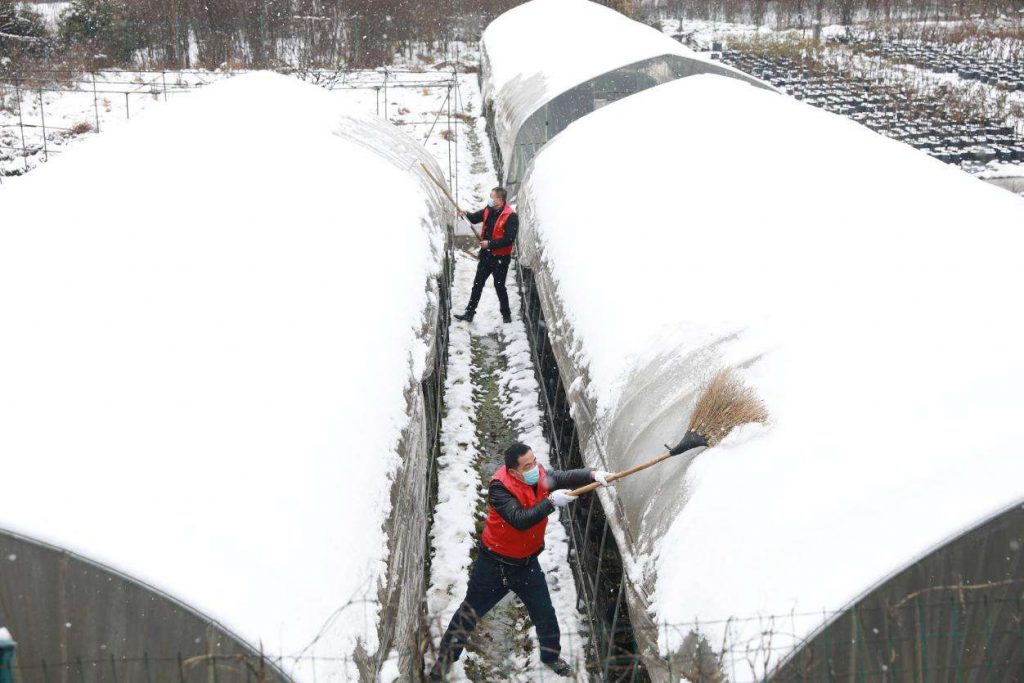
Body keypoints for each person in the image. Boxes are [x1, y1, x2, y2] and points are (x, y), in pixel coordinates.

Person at [429, 443, 612, 680]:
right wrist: (550, 503)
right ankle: (444, 661)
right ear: (513, 471)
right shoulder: (500, 488)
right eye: (528, 466)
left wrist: (593, 474)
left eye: (534, 461)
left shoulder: (539, 477)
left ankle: (550, 656)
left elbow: (562, 476)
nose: (535, 468)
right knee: (469, 613)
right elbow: (518, 520)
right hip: (494, 565)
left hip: (526, 565)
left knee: (544, 613)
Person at [455, 187, 518, 324]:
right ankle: (469, 313)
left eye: (492, 196)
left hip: (500, 258)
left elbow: (509, 239)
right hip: (486, 256)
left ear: (499, 200)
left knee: (499, 286)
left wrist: (490, 244)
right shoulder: (488, 210)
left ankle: (506, 316)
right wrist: (465, 214)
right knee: (477, 284)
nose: (489, 198)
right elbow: (475, 218)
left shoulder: (510, 216)